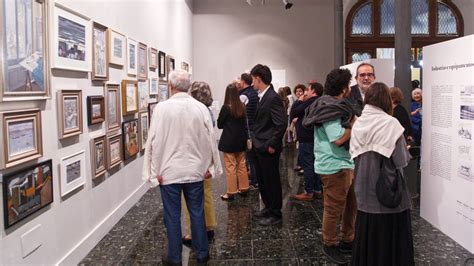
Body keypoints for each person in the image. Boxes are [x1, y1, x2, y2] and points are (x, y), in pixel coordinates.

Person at [142, 71, 222, 265]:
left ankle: (174, 257)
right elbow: (210, 139)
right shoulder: (200, 108)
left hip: (169, 172)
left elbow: (153, 141)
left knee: (172, 216)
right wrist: (211, 167)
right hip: (195, 170)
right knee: (197, 212)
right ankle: (202, 253)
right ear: (189, 85)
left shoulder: (161, 109)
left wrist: (153, 173)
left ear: (170, 85)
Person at [350, 82, 414, 266]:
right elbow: (401, 160)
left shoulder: (359, 122)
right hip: (388, 193)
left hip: (363, 189)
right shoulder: (391, 124)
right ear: (386, 100)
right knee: (390, 243)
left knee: (367, 238)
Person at [303, 68, 357, 265]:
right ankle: (330, 243)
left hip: (344, 163)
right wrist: (353, 124)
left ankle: (348, 239)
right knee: (333, 208)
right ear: (344, 89)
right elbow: (338, 139)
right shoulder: (330, 108)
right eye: (349, 85)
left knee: (351, 204)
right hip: (334, 166)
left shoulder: (331, 105)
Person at [182, 81, 218, 247]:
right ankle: (209, 227)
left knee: (190, 197)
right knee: (207, 194)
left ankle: (192, 232)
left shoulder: (193, 112)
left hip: (193, 160)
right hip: (205, 160)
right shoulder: (208, 112)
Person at [250, 64, 287, 226]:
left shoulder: (273, 97)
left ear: (259, 79)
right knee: (263, 181)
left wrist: (272, 144)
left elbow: (281, 124)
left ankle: (275, 213)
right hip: (260, 146)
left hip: (267, 147)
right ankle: (268, 207)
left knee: (271, 181)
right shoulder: (263, 96)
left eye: (253, 80)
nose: (252, 84)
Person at [291, 82, 324, 200]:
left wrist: (299, 99)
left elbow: (294, 111)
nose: (306, 92)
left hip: (307, 137)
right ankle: (317, 189)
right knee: (315, 163)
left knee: (308, 164)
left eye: (308, 90)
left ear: (313, 91)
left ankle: (309, 192)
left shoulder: (310, 101)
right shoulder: (320, 101)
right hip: (314, 137)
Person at [218, 83, 250, 200]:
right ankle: (244, 188)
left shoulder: (226, 108)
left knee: (230, 167)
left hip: (229, 141)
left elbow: (219, 125)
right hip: (240, 140)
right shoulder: (242, 106)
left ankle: (231, 192)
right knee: (242, 165)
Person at [239, 73, 259, 189]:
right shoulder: (254, 93)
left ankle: (254, 180)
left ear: (243, 82)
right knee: (253, 157)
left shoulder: (243, 96)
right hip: (255, 127)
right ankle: (255, 177)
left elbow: (239, 112)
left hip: (248, 129)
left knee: (250, 157)